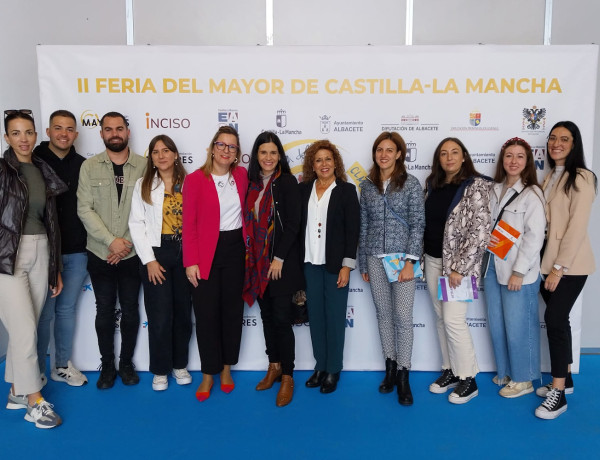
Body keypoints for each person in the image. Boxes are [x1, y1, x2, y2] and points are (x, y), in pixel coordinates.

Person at [1, 109, 67, 428]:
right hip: (7, 256)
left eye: (28, 132)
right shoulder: (1, 170)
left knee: (28, 325)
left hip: (42, 249)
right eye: (16, 133)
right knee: (25, 328)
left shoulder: (42, 169)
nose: (23, 139)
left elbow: (51, 223)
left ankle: (16, 390)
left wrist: (55, 266)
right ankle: (33, 402)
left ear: (36, 135)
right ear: (6, 137)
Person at [77, 111, 146, 389]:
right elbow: (84, 208)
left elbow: (148, 210)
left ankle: (126, 363)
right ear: (101, 133)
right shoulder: (89, 167)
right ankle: (107, 365)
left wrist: (124, 243)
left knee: (130, 310)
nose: (114, 133)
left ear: (128, 132)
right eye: (108, 129)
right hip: (100, 253)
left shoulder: (144, 166)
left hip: (132, 254)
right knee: (104, 310)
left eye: (119, 128)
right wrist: (110, 241)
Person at [423, 137, 492, 404]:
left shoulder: (477, 185)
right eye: (444, 153)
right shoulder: (432, 184)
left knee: (454, 320)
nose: (449, 157)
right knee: (442, 319)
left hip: (457, 269)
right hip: (431, 260)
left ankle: (469, 380)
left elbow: (480, 232)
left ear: (464, 156)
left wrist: (460, 269)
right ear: (438, 159)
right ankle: (450, 369)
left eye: (454, 152)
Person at [535, 121, 596, 420]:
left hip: (570, 264)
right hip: (546, 262)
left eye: (564, 139)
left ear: (574, 144)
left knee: (554, 319)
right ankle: (567, 377)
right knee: (561, 320)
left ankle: (557, 393)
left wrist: (559, 268)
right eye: (553, 138)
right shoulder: (549, 177)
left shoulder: (583, 177)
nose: (556, 143)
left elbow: (575, 228)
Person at [359, 132, 425, 405]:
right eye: (379, 150)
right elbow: (363, 224)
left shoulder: (410, 184)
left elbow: (418, 222)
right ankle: (389, 366)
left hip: (402, 259)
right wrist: (363, 260)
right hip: (374, 256)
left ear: (399, 154)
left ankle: (403, 374)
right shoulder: (367, 185)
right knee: (384, 314)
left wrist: (411, 260)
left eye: (390, 150)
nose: (384, 155)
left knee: (402, 316)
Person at [183, 126, 248, 402]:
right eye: (221, 145)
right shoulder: (196, 179)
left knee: (232, 313)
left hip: (235, 250)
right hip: (206, 252)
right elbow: (189, 224)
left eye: (231, 147)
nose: (225, 150)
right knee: (207, 315)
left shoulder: (242, 176)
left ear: (236, 154)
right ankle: (208, 372)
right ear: (212, 147)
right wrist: (191, 261)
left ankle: (225, 369)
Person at [242, 132, 303, 407]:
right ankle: (274, 365)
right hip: (256, 263)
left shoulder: (287, 182)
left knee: (281, 319)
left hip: (280, 264)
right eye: (263, 152)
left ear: (280, 156)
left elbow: (293, 225)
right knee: (267, 317)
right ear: (257, 155)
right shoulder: (251, 184)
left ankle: (288, 376)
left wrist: (278, 257)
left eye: (273, 153)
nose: (268, 158)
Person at [129, 135, 193, 391]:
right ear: (151, 158)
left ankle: (180, 365)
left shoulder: (191, 183)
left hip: (185, 253)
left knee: (183, 315)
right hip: (157, 252)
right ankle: (160, 370)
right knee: (160, 315)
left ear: (175, 154)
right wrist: (149, 261)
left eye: (166, 150)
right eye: (156, 152)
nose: (161, 155)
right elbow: (137, 225)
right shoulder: (142, 185)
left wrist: (194, 259)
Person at [483, 137, 545, 399]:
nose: (514, 161)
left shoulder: (532, 193)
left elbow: (534, 236)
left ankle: (524, 379)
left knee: (520, 326)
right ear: (502, 159)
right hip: (491, 267)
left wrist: (519, 271)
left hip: (518, 272)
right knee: (498, 324)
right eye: (509, 155)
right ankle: (506, 371)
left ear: (527, 161)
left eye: (520, 156)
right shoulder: (493, 190)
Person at [299, 140, 360, 394]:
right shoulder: (304, 190)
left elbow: (352, 230)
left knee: (335, 319)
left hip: (336, 266)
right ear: (312, 165)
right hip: (309, 264)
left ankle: (334, 368)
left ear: (335, 162)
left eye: (328, 159)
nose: (323, 164)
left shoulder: (346, 190)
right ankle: (320, 365)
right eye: (318, 160)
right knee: (316, 318)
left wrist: (347, 265)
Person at [34, 110, 88, 387]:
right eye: (58, 128)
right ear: (48, 131)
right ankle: (36, 370)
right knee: (44, 312)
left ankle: (61, 365)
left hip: (77, 250)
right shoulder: (33, 161)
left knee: (66, 310)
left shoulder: (84, 164)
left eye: (69, 129)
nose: (63, 134)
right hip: (43, 250)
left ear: (76, 134)